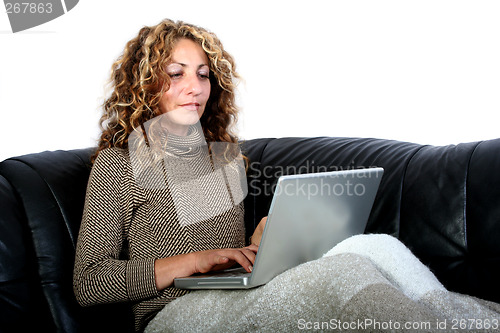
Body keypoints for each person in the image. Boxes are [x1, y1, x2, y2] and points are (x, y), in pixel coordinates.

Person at [73, 19, 266, 332]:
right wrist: (193, 262)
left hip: (237, 303)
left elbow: (222, 260)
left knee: (360, 258)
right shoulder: (119, 165)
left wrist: (260, 246)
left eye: (203, 74)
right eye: (177, 73)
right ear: (145, 85)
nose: (196, 87)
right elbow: (90, 283)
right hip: (173, 317)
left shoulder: (225, 160)